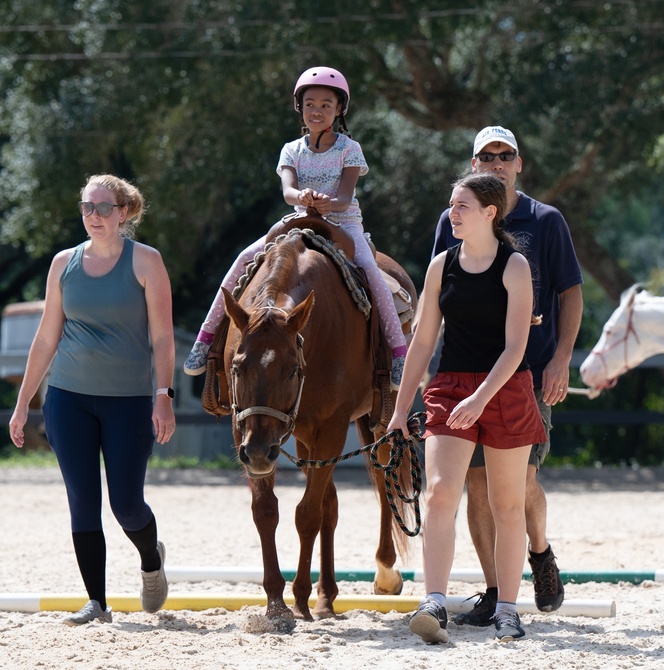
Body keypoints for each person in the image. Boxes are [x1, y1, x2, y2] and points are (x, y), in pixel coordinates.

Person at [430, 126, 584, 625]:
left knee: (519, 487)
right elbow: (442, 291)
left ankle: (540, 553)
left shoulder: (546, 220)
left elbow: (570, 292)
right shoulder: (453, 219)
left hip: (528, 373)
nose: (496, 161)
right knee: (475, 486)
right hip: (462, 372)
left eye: (505, 154)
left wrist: (561, 358)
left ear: (519, 163)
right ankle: (498, 593)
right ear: (474, 163)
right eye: (486, 155)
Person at [7, 174, 174, 625]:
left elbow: (162, 337)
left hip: (129, 399)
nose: (94, 216)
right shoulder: (64, 264)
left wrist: (164, 395)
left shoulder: (146, 262)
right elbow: (45, 337)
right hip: (67, 398)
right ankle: (97, 602)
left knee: (126, 504)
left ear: (123, 212)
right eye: (87, 207)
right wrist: (25, 402)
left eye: (103, 207)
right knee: (82, 498)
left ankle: (151, 561)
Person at [388, 173, 547, 644]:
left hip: (506, 389)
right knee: (439, 493)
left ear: (489, 212)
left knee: (506, 504)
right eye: (451, 205)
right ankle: (433, 600)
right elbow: (421, 344)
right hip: (452, 387)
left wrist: (482, 399)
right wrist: (400, 410)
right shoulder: (441, 266)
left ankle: (507, 609)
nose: (452, 213)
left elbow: (516, 347)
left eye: (462, 206)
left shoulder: (514, 267)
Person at [182, 66, 407, 387]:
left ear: (340, 109)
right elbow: (288, 191)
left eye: (326, 105)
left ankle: (398, 352)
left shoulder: (349, 149)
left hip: (343, 221)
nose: (317, 111)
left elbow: (345, 196)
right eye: (310, 104)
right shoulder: (291, 149)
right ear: (299, 107)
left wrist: (329, 203)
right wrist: (300, 195)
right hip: (300, 219)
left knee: (371, 270)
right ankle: (204, 340)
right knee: (244, 258)